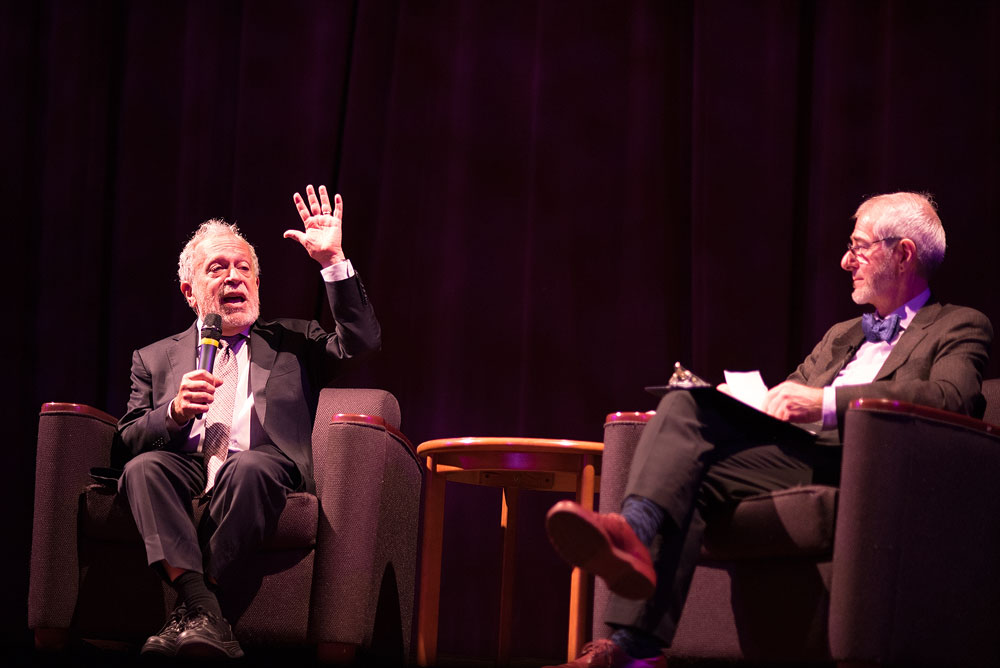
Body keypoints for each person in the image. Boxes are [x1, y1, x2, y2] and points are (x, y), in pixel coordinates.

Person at [544, 192, 993, 668]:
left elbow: (952, 397)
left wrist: (823, 402)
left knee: (685, 436)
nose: (846, 262)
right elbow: (785, 396)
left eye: (858, 247)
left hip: (865, 465)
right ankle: (633, 640)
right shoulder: (841, 335)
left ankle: (630, 546)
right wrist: (735, 403)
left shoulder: (958, 325)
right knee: (684, 415)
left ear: (902, 254)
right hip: (794, 456)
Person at [117, 184, 381, 659]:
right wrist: (174, 412)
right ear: (189, 291)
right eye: (218, 268)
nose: (234, 278)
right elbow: (128, 439)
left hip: (262, 467)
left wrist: (333, 261)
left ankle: (190, 612)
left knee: (250, 465)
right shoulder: (153, 357)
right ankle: (205, 612)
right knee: (143, 469)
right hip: (186, 465)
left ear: (257, 285)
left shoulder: (294, 341)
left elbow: (360, 343)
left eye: (244, 269)